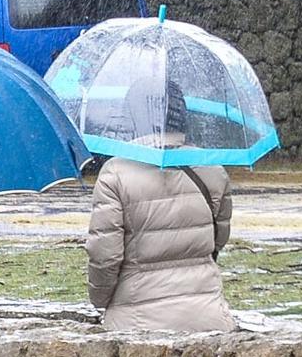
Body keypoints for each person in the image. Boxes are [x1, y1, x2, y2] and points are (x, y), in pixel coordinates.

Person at [86, 83, 235, 332]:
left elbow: (105, 256)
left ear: (132, 116)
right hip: (209, 318)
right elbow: (218, 240)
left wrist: (101, 300)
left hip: (135, 323)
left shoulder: (115, 173)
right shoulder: (212, 168)